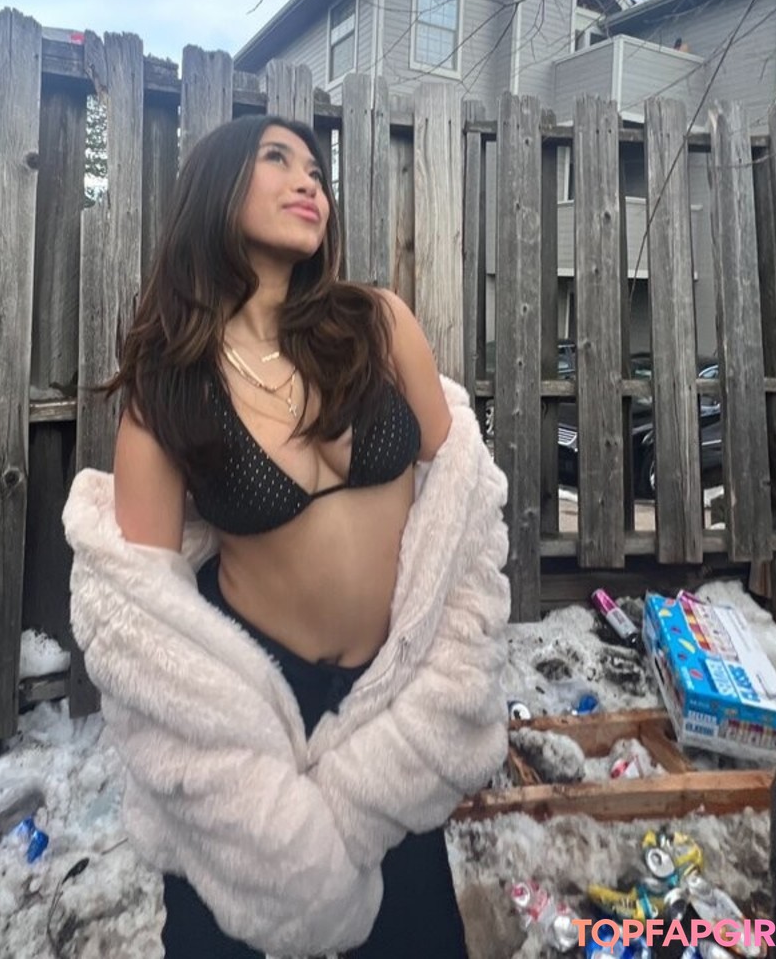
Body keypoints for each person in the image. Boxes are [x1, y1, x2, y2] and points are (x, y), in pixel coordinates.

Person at [64, 115, 510, 958]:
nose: (310, 181)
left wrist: (454, 662)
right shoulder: (172, 382)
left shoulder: (376, 324)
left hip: (391, 695)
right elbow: (138, 609)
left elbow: (461, 494)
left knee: (417, 936)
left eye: (316, 169)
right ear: (218, 188)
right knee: (223, 934)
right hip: (252, 711)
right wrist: (210, 749)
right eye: (278, 159)